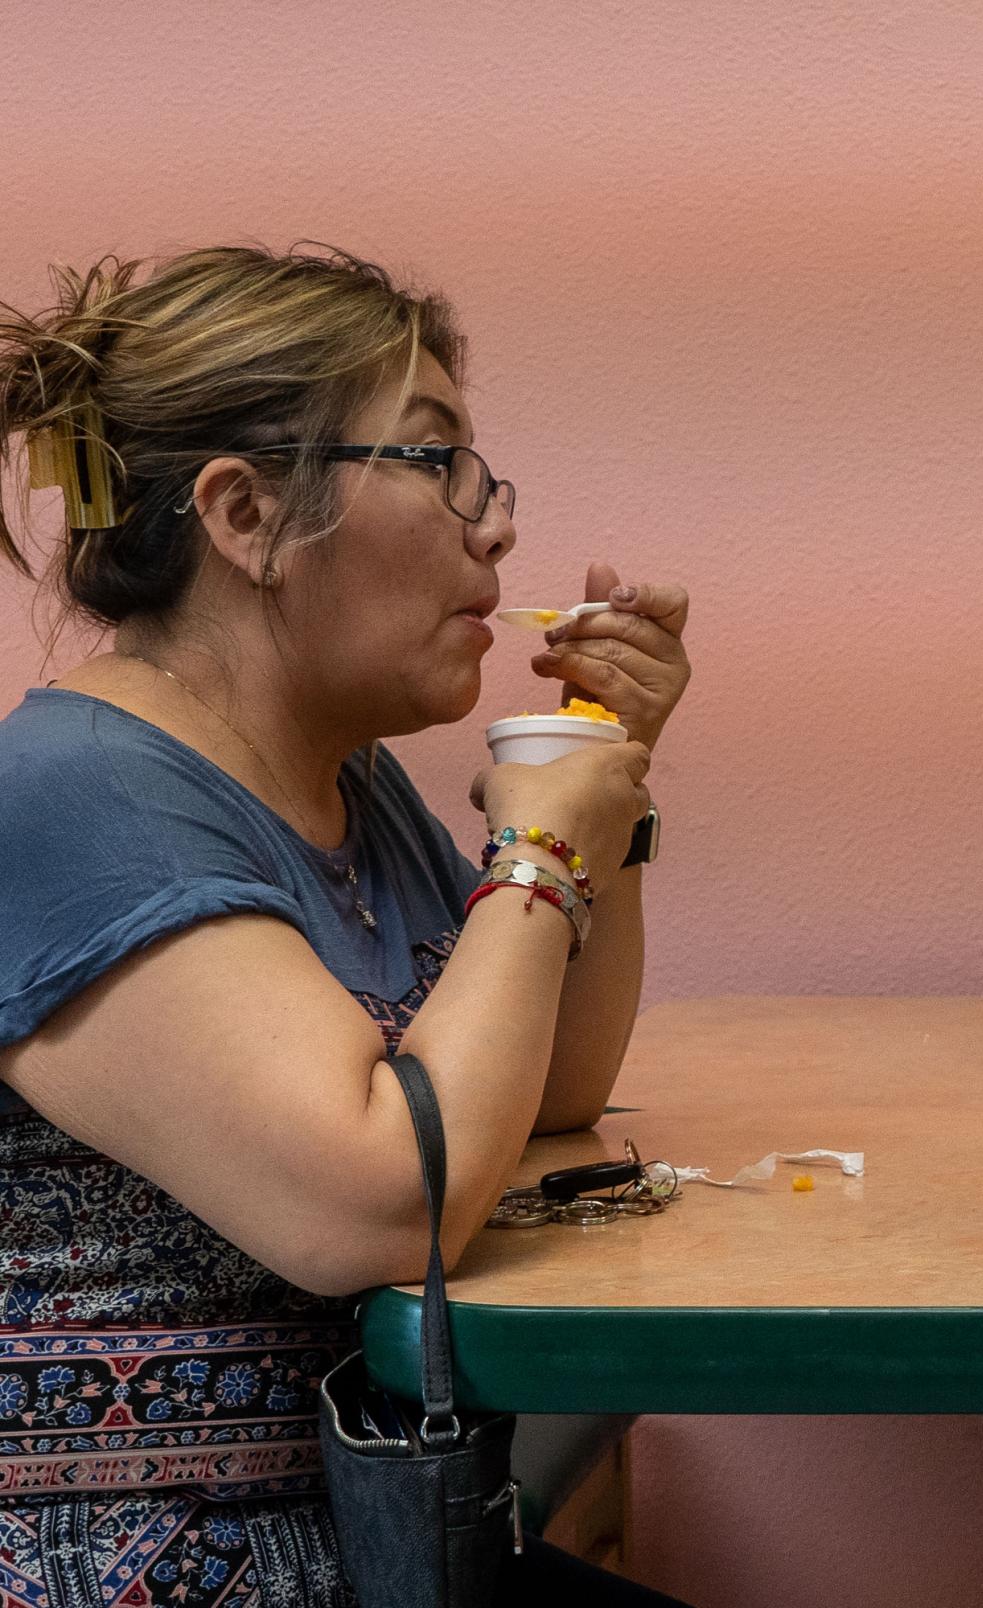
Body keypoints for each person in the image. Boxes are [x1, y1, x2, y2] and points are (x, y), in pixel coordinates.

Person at [0, 246, 695, 1606]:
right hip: (157, 1571)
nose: (493, 527)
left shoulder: (340, 779)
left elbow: (548, 1094)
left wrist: (604, 773)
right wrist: (540, 850)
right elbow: (383, 1203)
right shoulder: (80, 799)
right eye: (437, 463)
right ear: (248, 515)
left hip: (366, 1546)